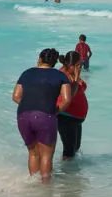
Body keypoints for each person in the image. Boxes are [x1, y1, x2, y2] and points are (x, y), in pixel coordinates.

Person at [12, 48, 72, 182]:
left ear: (39, 59)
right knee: (46, 156)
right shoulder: (60, 76)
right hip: (45, 116)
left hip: (23, 115)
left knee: (33, 153)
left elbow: (16, 96)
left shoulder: (26, 73)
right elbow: (67, 99)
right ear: (55, 62)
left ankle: (33, 184)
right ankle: (45, 191)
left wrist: (31, 106)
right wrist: (55, 111)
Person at [58, 51, 88, 160]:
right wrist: (76, 78)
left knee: (76, 148)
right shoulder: (63, 76)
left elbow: (81, 88)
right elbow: (70, 96)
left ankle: (72, 173)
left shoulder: (71, 74)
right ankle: (65, 175)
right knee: (69, 151)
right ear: (71, 65)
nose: (81, 67)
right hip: (66, 116)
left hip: (75, 118)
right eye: (79, 64)